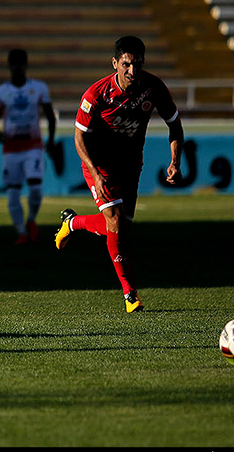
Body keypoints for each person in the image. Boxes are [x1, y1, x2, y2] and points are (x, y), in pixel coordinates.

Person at [54, 36, 184, 313]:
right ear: (115, 63)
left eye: (137, 64)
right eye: (126, 64)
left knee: (121, 229)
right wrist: (94, 174)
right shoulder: (96, 95)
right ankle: (130, 294)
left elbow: (175, 125)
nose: (132, 71)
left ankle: (74, 223)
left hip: (131, 165)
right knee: (114, 221)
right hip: (100, 165)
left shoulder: (154, 87)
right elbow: (79, 138)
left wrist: (175, 161)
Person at [0, 49, 56, 245]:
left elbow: (50, 116)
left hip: (33, 146)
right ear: (9, 66)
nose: (17, 67)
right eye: (14, 64)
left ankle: (31, 220)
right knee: (13, 193)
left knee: (35, 188)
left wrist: (51, 140)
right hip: (11, 149)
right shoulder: (0, 93)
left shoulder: (39, 88)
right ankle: (21, 233)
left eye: (21, 64)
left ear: (26, 65)